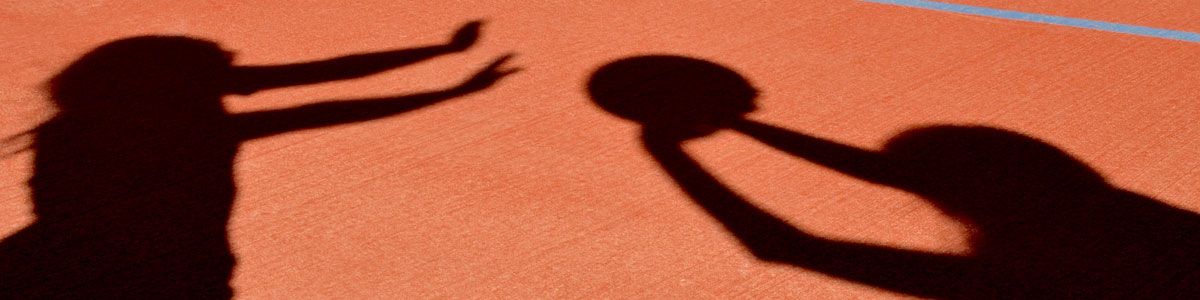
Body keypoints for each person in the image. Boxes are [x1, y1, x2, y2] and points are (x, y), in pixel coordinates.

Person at [587, 55, 1199, 298]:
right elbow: (903, 175)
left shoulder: (1021, 282)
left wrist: (663, 147)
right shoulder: (1122, 218)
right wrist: (741, 126)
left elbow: (781, 245)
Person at [0, 21, 517, 298]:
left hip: (58, 271)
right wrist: (448, 76)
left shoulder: (70, 130)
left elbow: (331, 84)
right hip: (161, 280)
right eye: (222, 68)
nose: (237, 73)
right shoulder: (202, 128)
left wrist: (444, 63)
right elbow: (335, 90)